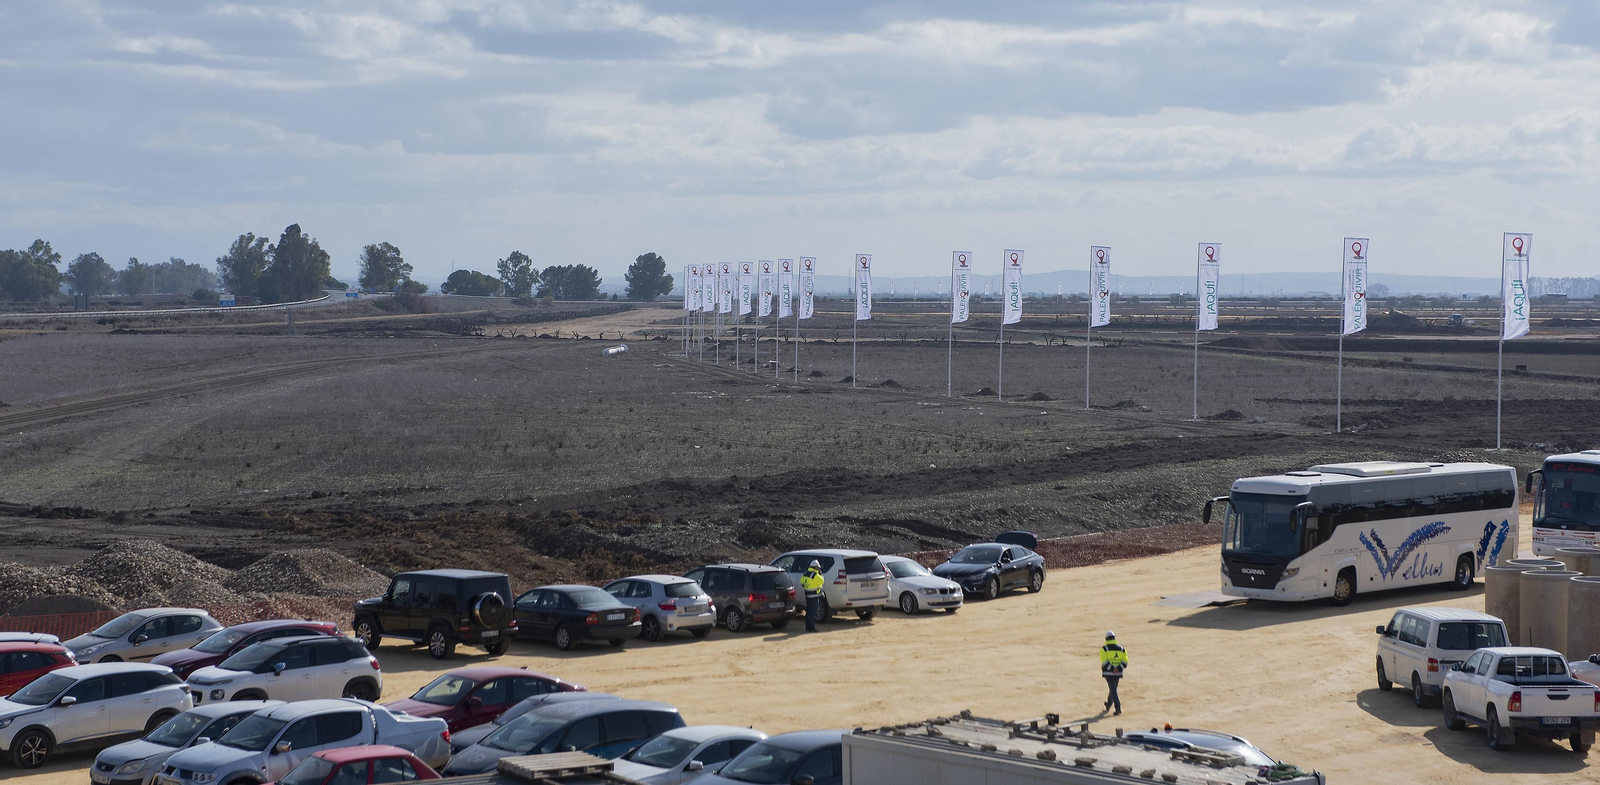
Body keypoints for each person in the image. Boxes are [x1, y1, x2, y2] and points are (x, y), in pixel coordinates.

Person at [1100, 630, 1128, 715]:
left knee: (1113, 690)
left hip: (1108, 673)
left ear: (1106, 639)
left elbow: (1104, 661)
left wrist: (1112, 669)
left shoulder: (1104, 649)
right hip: (1118, 673)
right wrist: (1118, 668)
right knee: (1113, 689)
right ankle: (1108, 704)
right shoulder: (1122, 649)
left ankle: (1118, 708)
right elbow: (1125, 661)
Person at [801, 560, 825, 632]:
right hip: (814, 596)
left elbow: (801, 582)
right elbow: (822, 581)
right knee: (813, 612)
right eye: (818, 567)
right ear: (815, 567)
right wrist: (820, 574)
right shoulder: (815, 575)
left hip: (807, 595)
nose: (819, 569)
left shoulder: (805, 573)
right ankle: (811, 628)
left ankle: (808, 627)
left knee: (808, 612)